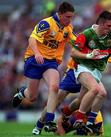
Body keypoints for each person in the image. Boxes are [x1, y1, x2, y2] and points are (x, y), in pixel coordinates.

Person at [12, 1, 75, 132]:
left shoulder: (68, 29)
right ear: (60, 14)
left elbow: (77, 42)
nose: (70, 20)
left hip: (51, 62)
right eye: (67, 17)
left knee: (54, 86)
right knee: (32, 97)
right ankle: (22, 92)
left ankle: (49, 121)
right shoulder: (46, 23)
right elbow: (32, 39)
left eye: (71, 17)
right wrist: (36, 53)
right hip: (35, 60)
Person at [32, 53, 111, 135]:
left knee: (87, 99)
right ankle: (39, 125)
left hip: (90, 74)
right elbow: (74, 52)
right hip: (74, 71)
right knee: (56, 100)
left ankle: (70, 114)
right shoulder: (87, 38)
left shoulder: (103, 46)